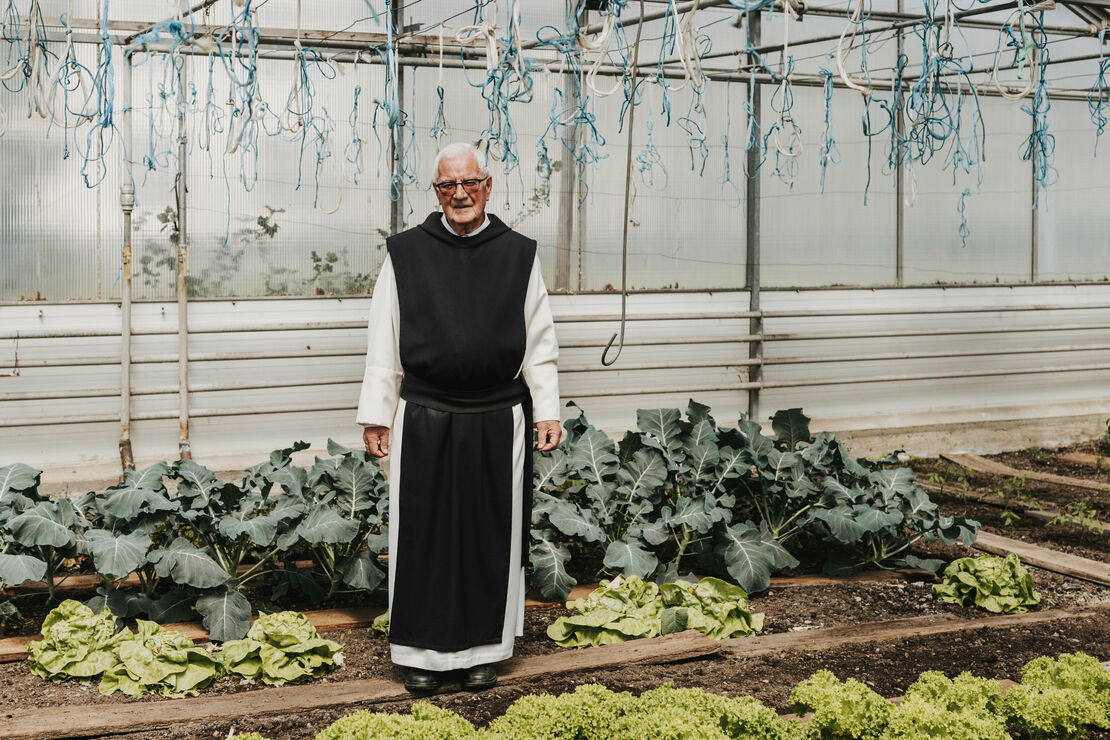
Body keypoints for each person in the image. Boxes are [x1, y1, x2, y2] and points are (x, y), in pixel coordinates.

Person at [356, 141, 561, 694]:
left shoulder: (518, 253)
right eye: (447, 185)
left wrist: (547, 408)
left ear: (487, 185)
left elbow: (539, 340)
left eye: (469, 183)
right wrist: (377, 416)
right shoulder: (405, 252)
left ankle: (482, 652)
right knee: (421, 535)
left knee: (489, 534)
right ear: (437, 192)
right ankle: (419, 654)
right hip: (423, 414)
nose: (460, 194)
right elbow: (384, 339)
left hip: (499, 418)